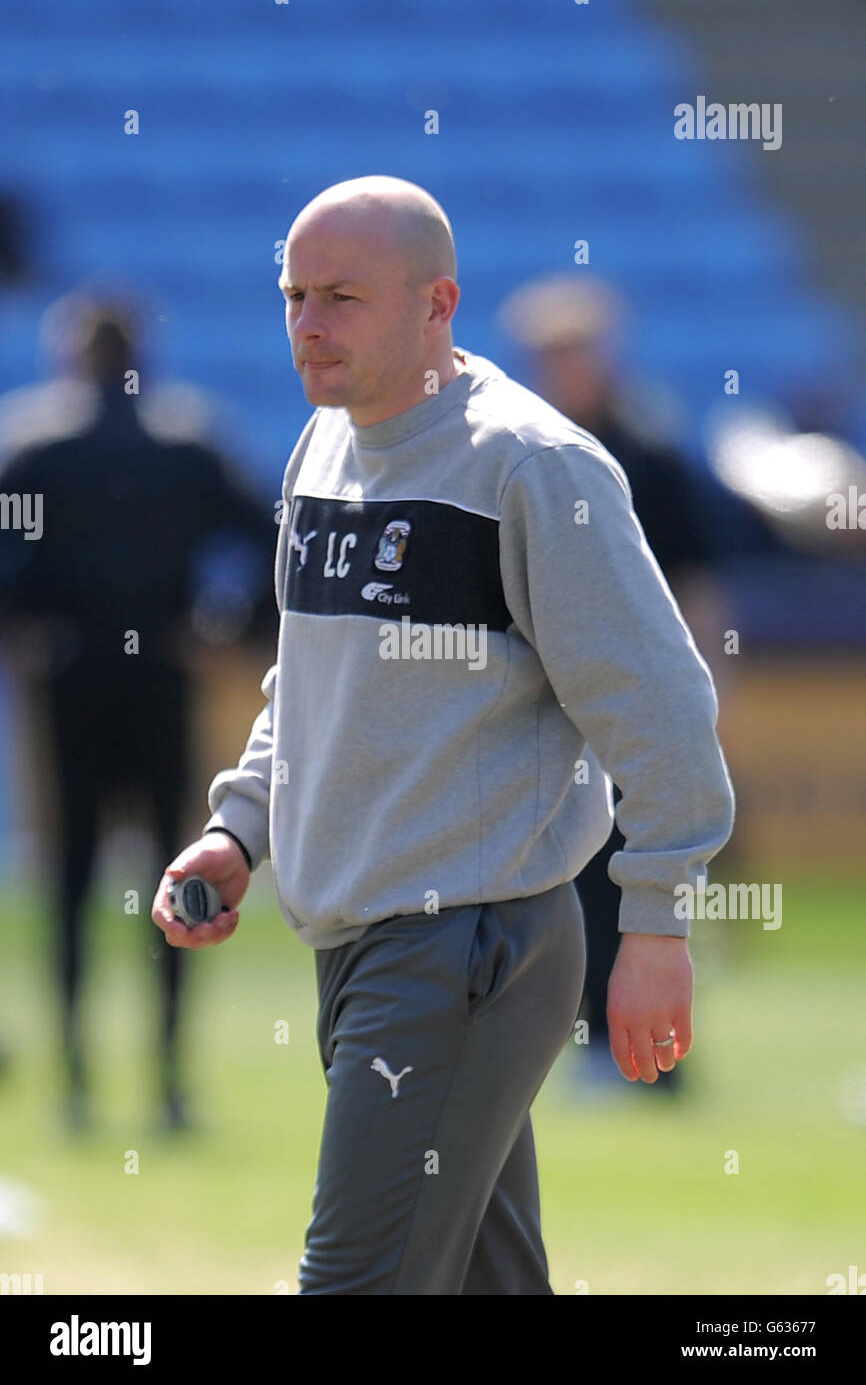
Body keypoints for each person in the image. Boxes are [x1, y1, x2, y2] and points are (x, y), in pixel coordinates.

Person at [151, 175, 735, 1295]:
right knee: (481, 1283)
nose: (307, 326)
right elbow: (311, 685)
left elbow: (657, 703)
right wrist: (239, 831)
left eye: (340, 297)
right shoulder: (322, 445)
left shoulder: (532, 465)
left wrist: (656, 922)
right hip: (363, 938)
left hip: (463, 945)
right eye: (292, 296)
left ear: (438, 303)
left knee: (355, 1284)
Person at [0, 295, 275, 1130]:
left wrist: (23, 625)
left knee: (70, 875)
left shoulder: (39, 443)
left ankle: (76, 1082)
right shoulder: (187, 441)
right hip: (162, 673)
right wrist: (221, 629)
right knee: (178, 870)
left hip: (71, 677)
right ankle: (168, 1081)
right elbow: (272, 533)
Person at [497, 273, 733, 1095]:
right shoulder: (525, 454)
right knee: (575, 872)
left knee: (645, 870)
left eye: (571, 349)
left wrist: (704, 695)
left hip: (636, 699)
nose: (558, 367)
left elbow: (695, 581)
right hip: (560, 703)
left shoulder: (649, 454)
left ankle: (654, 1060)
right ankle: (601, 1042)